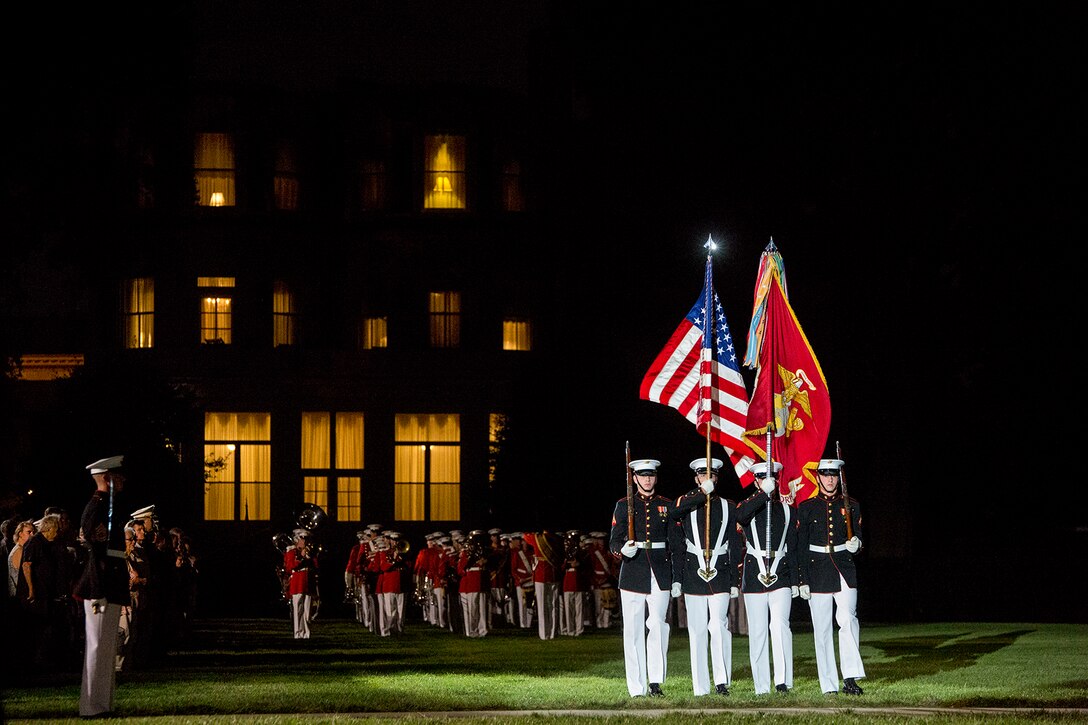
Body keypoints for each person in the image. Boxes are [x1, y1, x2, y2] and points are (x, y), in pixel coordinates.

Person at [608, 458, 683, 698]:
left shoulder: (666, 505)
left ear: (656, 478)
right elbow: (613, 540)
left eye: (651, 475)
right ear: (635, 478)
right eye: (643, 475)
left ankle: (656, 682)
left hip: (660, 571)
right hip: (633, 570)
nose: (647, 479)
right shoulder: (623, 505)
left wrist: (676, 577)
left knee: (659, 626)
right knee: (632, 630)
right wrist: (622, 550)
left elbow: (676, 543)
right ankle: (636, 686)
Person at [674, 456, 743, 697]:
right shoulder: (687, 502)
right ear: (696, 478)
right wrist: (700, 492)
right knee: (697, 629)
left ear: (717, 477)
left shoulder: (728, 505)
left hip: (721, 570)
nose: (708, 478)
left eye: (711, 475)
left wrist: (735, 580)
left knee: (719, 625)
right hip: (694, 571)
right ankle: (700, 686)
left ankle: (722, 681)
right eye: (703, 475)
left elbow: (735, 544)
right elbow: (674, 513)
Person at [797, 457, 866, 696]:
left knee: (848, 620)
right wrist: (802, 579)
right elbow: (800, 547)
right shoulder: (806, 507)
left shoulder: (852, 504)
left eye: (833, 475)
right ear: (818, 477)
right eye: (825, 474)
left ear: (838, 477)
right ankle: (828, 684)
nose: (829, 479)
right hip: (817, 570)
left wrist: (856, 544)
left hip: (844, 570)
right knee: (823, 629)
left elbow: (858, 537)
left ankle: (850, 677)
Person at [736, 460, 800, 695]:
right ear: (756, 482)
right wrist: (762, 494)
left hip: (781, 572)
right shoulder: (748, 506)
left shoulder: (787, 510)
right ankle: (761, 685)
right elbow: (740, 515)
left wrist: (796, 580)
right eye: (762, 478)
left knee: (781, 626)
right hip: (754, 573)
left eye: (770, 478)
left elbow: (792, 548)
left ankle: (783, 681)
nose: (767, 482)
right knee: (759, 630)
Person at [74, 454, 130, 718]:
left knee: (106, 649)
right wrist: (97, 590)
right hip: (101, 585)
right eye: (117, 477)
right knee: (97, 647)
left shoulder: (111, 507)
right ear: (107, 478)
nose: (122, 481)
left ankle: (103, 704)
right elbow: (95, 553)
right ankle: (91, 706)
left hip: (111, 583)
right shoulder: (96, 508)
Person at [284, 528, 319, 639]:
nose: (305, 541)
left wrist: (311, 556)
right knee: (298, 610)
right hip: (297, 582)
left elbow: (316, 567)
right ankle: (298, 633)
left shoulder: (311, 551)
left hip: (308, 582)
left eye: (306, 539)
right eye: (303, 539)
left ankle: (306, 634)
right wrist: (301, 557)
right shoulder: (291, 552)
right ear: (297, 539)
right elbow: (289, 567)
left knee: (307, 611)